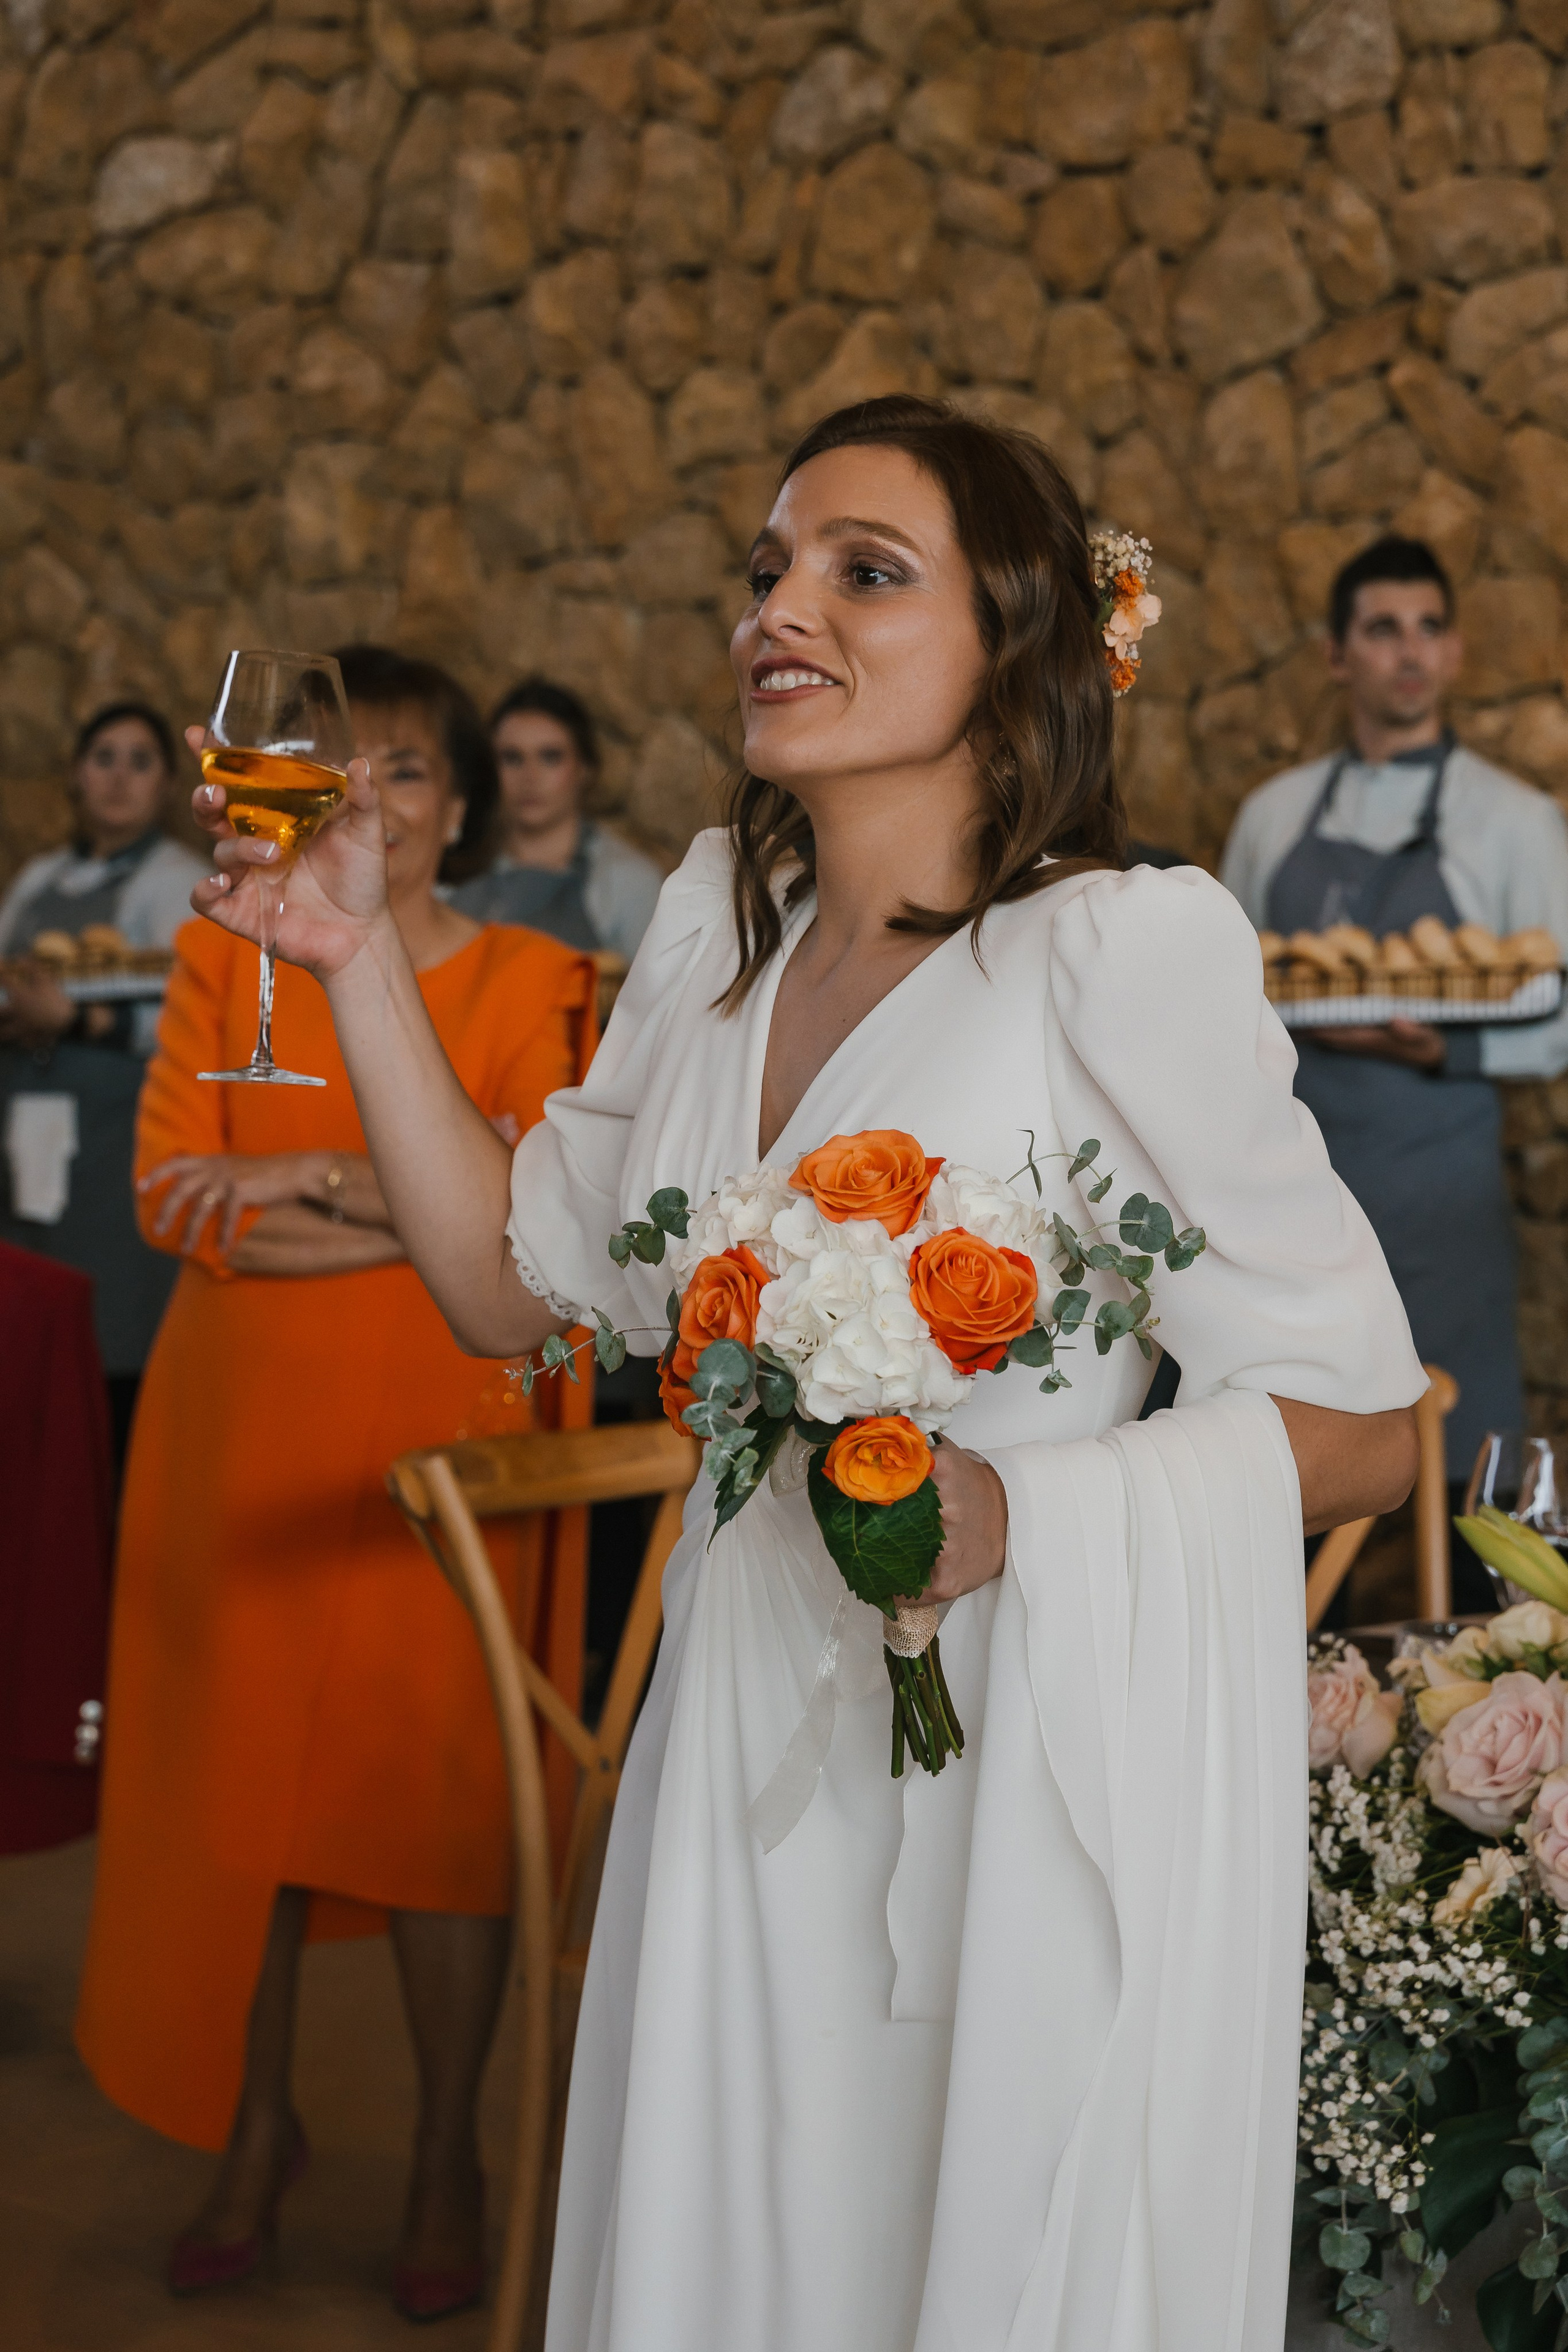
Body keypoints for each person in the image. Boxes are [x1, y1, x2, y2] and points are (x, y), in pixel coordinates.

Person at [181, 400, 1422, 2350]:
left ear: (1013, 640)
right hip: (731, 1724)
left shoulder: (1113, 951)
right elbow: (509, 1290)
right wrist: (348, 964)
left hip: (999, 1762)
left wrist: (1024, 1507)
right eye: (767, 565)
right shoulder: (711, 948)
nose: (782, 603)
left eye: (864, 568)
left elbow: (1364, 1415)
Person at [75, 646, 597, 2323]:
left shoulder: (539, 973)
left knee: (439, 1817)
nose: (366, 796)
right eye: (336, 763)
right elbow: (172, 1192)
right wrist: (395, 1198)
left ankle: (449, 2150)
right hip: (241, 1454)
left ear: (461, 808)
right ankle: (253, 2128)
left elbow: (529, 1223)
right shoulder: (228, 954)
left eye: (410, 770)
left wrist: (288, 1189)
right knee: (252, 1818)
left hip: (454, 1456)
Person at [1222, 537, 1568, 1545]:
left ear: (1456, 652)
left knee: (1466, 1505)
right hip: (1289, 1200)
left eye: (1429, 629)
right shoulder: (1272, 817)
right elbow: (1226, 1003)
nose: (1409, 652)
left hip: (1438, 1198)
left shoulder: (1515, 820)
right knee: (1280, 1478)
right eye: (1382, 629)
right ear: (1337, 656)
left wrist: (1443, 1052)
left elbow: (1554, 1016)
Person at [0, 703, 206, 1467]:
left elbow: (193, 1021)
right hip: (27, 1140)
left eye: (140, 760)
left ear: (164, 786)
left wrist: (81, 1024)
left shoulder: (178, 883)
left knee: (112, 1330)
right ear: (75, 776)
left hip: (118, 1148)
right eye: (104, 757)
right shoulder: (37, 880)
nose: (119, 777)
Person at [450, 679, 663, 961]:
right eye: (512, 758)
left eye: (551, 757)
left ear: (585, 769)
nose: (530, 777)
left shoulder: (630, 882)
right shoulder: (454, 873)